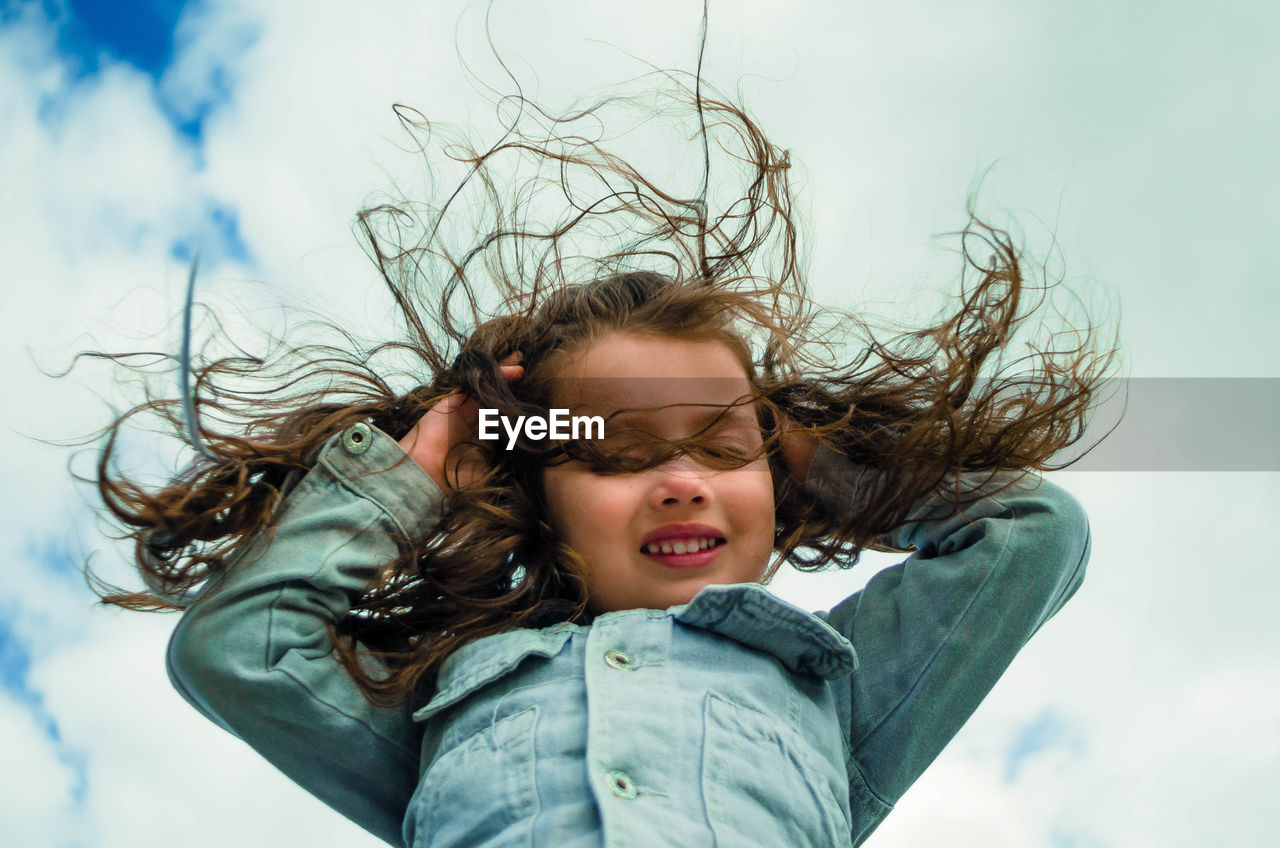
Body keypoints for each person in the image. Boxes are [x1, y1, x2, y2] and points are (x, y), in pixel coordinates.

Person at [87, 56, 1114, 848]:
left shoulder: (836, 690)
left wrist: (813, 460)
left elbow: (1028, 534)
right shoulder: (452, 697)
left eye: (719, 448)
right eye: (615, 457)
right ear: (540, 497)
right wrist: (427, 462)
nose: (677, 480)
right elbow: (239, 649)